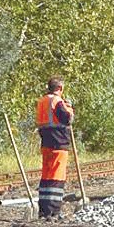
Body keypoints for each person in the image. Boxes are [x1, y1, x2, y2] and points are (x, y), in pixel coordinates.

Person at [35, 77, 75, 219]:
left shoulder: (41, 101)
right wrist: (69, 107)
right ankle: (53, 211)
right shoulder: (57, 102)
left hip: (46, 143)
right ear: (59, 88)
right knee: (56, 177)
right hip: (59, 143)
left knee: (46, 177)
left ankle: (44, 209)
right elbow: (67, 118)